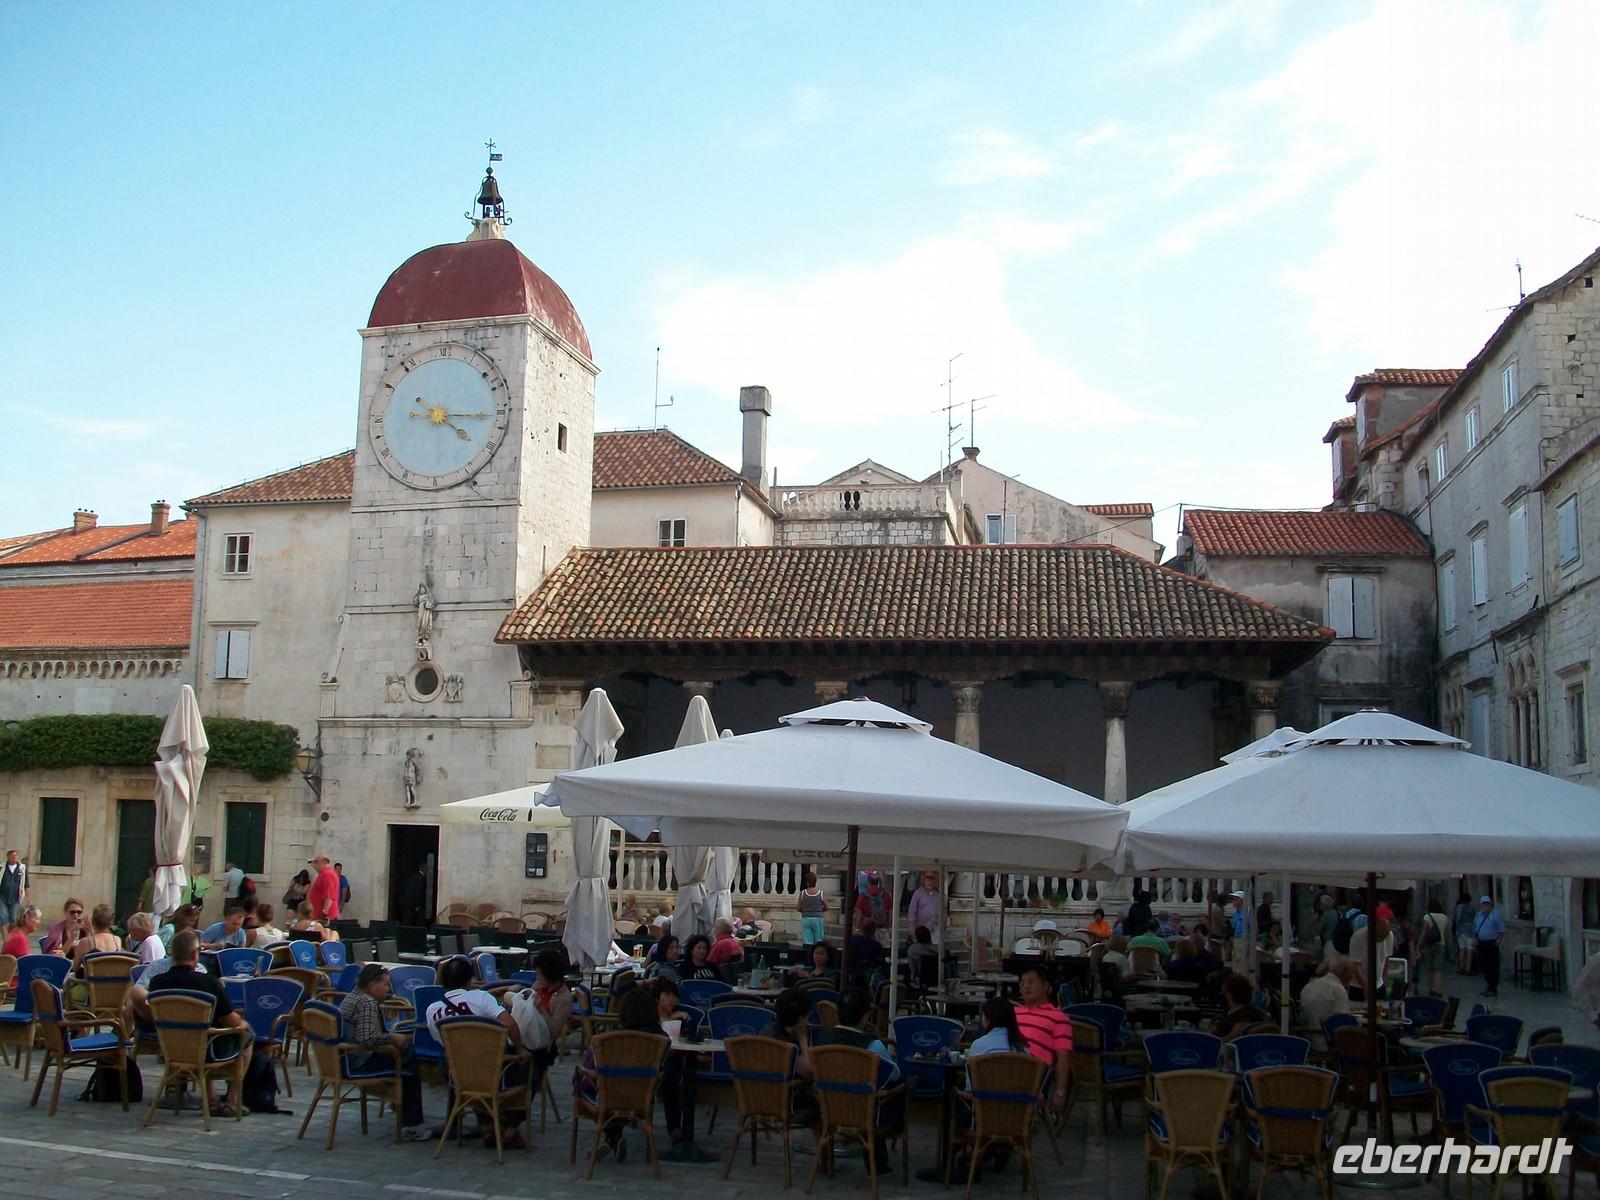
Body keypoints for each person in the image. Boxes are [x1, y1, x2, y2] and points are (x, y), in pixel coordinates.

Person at [131, 930, 253, 1115]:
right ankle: (230, 1100)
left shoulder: (157, 983)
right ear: (196, 954)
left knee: (206, 1032)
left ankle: (211, 1099)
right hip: (207, 1050)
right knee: (245, 1035)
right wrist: (244, 1025)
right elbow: (233, 1021)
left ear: (172, 953)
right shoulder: (210, 984)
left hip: (171, 1049)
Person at [425, 955, 526, 1149]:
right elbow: (511, 1025)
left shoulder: (432, 1010)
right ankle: (509, 1128)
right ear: (469, 979)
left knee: (471, 1071)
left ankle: (487, 1125)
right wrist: (521, 1051)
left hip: (457, 1075)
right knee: (530, 1069)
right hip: (493, 1071)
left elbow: (441, 1042)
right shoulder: (481, 998)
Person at [340, 964, 432, 1140]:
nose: (388, 989)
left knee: (405, 1056)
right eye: (385, 984)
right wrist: (392, 1038)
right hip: (358, 1062)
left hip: (343, 1059)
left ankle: (402, 1105)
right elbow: (366, 1039)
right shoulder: (367, 1003)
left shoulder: (353, 995)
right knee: (409, 1060)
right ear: (372, 985)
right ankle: (411, 1125)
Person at [1013, 965, 1071, 1114]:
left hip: (1031, 1072)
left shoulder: (1058, 1017)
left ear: (1045, 986)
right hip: (1001, 1064)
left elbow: (1063, 1057)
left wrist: (1060, 1092)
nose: (1026, 987)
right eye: (1022, 983)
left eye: (1031, 982)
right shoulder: (1013, 1012)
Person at [760, 987, 816, 1081]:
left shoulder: (768, 1028)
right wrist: (803, 1039)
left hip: (758, 1089)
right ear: (801, 1018)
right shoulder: (785, 1043)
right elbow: (808, 1071)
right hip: (782, 1092)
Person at [1297, 963, 1352, 1049]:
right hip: (1327, 1041)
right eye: (1352, 971)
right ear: (1345, 970)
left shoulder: (1311, 984)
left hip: (1309, 1037)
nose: (1353, 975)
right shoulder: (1337, 989)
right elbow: (1342, 1022)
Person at [1347, 915, 1396, 997]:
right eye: (1379, 937)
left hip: (1378, 985)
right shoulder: (1357, 937)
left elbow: (1386, 958)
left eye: (1383, 938)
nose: (1381, 940)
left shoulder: (1389, 936)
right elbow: (1356, 965)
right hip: (1358, 986)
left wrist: (1383, 980)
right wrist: (1366, 985)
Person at [1210, 973, 1268, 1042]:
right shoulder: (1232, 1010)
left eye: (1225, 992)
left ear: (1230, 994)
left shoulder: (1246, 1013)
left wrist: (1213, 1042)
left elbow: (1234, 1036)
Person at [1473, 895, 1507, 998]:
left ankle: (1493, 987)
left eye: (1487, 904)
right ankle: (1489, 985)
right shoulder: (1478, 915)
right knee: (1484, 966)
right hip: (1481, 943)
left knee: (1493, 966)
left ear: (1491, 905)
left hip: (1491, 943)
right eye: (1484, 904)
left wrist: (1498, 941)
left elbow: (1502, 929)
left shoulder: (1496, 915)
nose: (1485, 906)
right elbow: (1475, 927)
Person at [1416, 902, 1450, 998]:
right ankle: (1435, 989)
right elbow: (1447, 933)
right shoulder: (1445, 917)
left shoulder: (1427, 917)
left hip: (1429, 944)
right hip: (1440, 945)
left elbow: (1424, 931)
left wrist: (1418, 944)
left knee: (1429, 967)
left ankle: (1430, 987)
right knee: (1438, 968)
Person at [907, 872, 942, 947]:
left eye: (932, 880)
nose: (930, 882)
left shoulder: (939, 894)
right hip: (920, 928)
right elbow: (912, 911)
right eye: (928, 880)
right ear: (924, 881)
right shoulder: (918, 893)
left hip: (934, 927)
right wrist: (911, 926)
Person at [307, 854, 342, 923]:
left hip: (324, 917)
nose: (314, 864)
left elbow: (328, 897)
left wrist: (324, 914)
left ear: (324, 862)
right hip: (319, 915)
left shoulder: (327, 874)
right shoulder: (323, 874)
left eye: (316, 862)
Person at [0, 849, 28, 932]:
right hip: (2, 897)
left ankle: (10, 936)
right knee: (3, 916)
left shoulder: (22, 869)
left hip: (15, 898)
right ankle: (5, 938)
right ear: (8, 857)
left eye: (15, 856)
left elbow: (26, 884)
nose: (14, 858)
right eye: (12, 856)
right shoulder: (2, 867)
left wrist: (28, 898)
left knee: (13, 918)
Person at [797, 872, 826, 945]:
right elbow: (827, 906)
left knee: (807, 941)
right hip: (818, 918)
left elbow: (798, 908)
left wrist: (804, 910)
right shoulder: (820, 893)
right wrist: (820, 910)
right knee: (819, 940)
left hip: (806, 918)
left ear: (807, 882)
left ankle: (808, 954)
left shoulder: (803, 893)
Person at [1452, 891, 1477, 974]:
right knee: (1469, 950)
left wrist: (1457, 927)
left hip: (1460, 931)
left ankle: (1461, 968)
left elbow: (1457, 919)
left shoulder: (1458, 907)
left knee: (1462, 949)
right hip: (1469, 931)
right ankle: (1467, 969)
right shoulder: (1471, 908)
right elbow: (1474, 919)